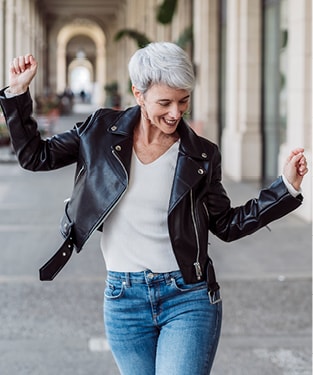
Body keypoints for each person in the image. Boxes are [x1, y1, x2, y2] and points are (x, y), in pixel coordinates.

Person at [0, 42, 308, 375]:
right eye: (165, 102)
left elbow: (227, 224)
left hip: (187, 298)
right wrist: (18, 94)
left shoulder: (201, 155)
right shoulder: (100, 130)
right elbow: (35, 156)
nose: (176, 113)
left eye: (183, 100)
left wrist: (285, 188)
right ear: (139, 93)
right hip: (123, 300)